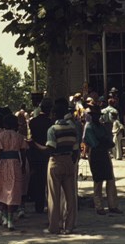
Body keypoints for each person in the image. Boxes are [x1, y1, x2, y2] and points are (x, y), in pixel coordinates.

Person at [31, 100, 79, 235]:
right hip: (69, 161)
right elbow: (75, 149)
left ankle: (54, 227)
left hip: (55, 162)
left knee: (54, 196)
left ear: (54, 114)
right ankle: (69, 226)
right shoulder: (72, 128)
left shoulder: (52, 130)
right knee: (70, 196)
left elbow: (49, 149)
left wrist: (34, 144)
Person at [83, 104, 123, 215]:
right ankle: (99, 206)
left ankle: (113, 205)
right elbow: (94, 143)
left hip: (104, 153)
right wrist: (104, 141)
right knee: (98, 180)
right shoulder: (89, 127)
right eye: (95, 115)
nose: (97, 117)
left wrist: (105, 141)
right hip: (95, 154)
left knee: (110, 180)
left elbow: (107, 140)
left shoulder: (101, 126)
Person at [0, 114, 28, 231]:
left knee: (2, 189)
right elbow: (23, 152)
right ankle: (11, 219)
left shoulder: (0, 136)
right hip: (15, 164)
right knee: (13, 190)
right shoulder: (20, 137)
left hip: (3, 164)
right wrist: (22, 166)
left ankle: (5, 216)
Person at [27, 98, 54, 213]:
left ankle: (38, 205)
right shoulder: (51, 123)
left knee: (38, 181)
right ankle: (50, 204)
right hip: (48, 153)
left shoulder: (33, 122)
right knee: (49, 181)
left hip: (35, 154)